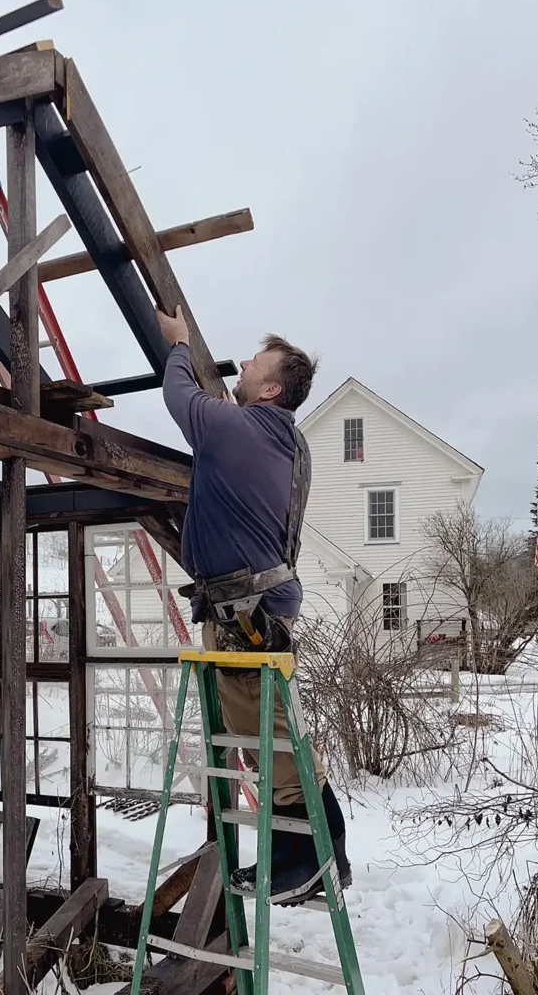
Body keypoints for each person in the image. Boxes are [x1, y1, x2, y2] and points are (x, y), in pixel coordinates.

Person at [157, 305, 352, 905]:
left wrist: (180, 343)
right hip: (255, 605)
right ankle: (319, 860)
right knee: (266, 730)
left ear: (270, 389)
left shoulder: (238, 428)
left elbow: (180, 398)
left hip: (247, 612)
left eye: (253, 363)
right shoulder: (280, 439)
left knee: (267, 734)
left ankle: (311, 859)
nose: (239, 364)